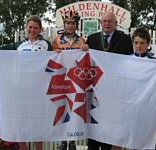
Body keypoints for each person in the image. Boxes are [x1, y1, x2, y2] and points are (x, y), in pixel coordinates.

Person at [0, 15, 53, 150]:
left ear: (40, 29)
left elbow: (54, 62)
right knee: (21, 121)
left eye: (35, 27)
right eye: (30, 27)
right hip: (21, 90)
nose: (32, 30)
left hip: (39, 90)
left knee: (38, 122)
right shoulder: (18, 45)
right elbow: (2, 51)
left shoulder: (46, 44)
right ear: (26, 28)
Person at [112, 27, 156, 150]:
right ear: (132, 43)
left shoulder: (155, 64)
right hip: (125, 107)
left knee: (140, 143)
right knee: (117, 142)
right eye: (136, 43)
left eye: (142, 43)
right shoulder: (125, 61)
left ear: (148, 44)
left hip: (144, 109)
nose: (139, 46)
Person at [86, 12, 134, 150]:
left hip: (115, 89)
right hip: (96, 88)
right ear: (101, 23)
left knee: (110, 122)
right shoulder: (92, 39)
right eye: (104, 21)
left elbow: (130, 62)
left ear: (116, 23)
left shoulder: (124, 39)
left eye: (109, 21)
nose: (106, 24)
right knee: (94, 120)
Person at [52, 10, 88, 150]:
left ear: (77, 25)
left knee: (74, 107)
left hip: (76, 80)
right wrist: (53, 53)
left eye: (73, 23)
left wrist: (86, 50)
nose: (70, 26)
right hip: (61, 80)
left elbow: (86, 60)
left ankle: (72, 139)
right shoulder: (56, 40)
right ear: (64, 24)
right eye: (68, 23)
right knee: (62, 107)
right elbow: (50, 59)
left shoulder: (82, 40)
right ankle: (63, 139)